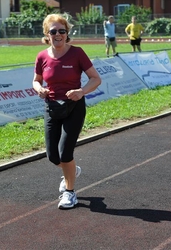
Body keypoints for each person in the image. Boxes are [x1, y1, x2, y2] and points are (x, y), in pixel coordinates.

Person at [33, 13, 101, 209]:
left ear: (67, 33)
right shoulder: (42, 56)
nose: (58, 35)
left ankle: (70, 193)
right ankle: (71, 171)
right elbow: (36, 80)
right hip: (52, 106)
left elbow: (95, 79)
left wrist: (81, 91)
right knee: (53, 156)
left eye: (61, 31)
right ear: (47, 34)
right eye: (53, 31)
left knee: (65, 153)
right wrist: (40, 89)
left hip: (74, 107)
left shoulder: (77, 53)